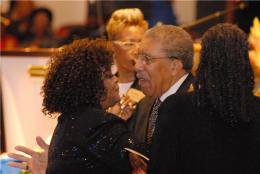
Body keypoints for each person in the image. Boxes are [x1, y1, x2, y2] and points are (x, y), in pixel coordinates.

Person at [9, 38, 140, 174]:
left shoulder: (66, 121)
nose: (115, 79)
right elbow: (145, 164)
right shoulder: (103, 125)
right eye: (108, 76)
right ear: (91, 86)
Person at [149, 24, 260, 174]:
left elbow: (160, 167)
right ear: (245, 61)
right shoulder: (255, 109)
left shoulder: (176, 107)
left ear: (204, 60)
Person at [128, 25, 194, 144]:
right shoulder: (143, 105)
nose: (137, 66)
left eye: (147, 59)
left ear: (174, 66)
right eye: (138, 56)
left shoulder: (197, 106)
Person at [106, 8, 148, 97]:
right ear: (112, 46)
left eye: (142, 42)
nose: (138, 49)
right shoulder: (104, 87)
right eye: (129, 44)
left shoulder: (153, 85)